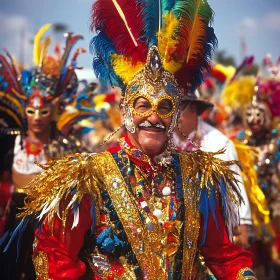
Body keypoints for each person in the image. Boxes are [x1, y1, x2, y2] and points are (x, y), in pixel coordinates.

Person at [9, 0, 256, 279]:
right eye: (142, 105)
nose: (153, 117)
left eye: (164, 107)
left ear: (175, 115)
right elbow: (55, 255)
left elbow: (223, 254)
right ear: (125, 111)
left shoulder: (198, 178)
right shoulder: (89, 179)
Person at [0, 24, 104, 280]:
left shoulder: (66, 146)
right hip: (12, 218)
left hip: (47, 221)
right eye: (31, 111)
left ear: (54, 111)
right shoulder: (9, 142)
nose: (36, 118)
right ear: (23, 110)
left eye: (43, 111)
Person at [173, 90, 252, 249]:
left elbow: (234, 186)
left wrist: (242, 224)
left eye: (178, 109)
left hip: (213, 227)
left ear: (194, 109)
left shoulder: (219, 144)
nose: (173, 115)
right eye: (168, 108)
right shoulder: (162, 141)